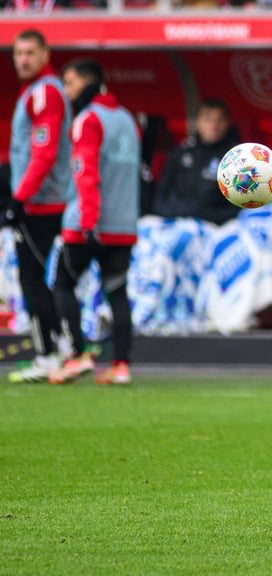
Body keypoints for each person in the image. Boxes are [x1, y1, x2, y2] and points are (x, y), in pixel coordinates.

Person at [49, 58, 140, 385]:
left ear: (85, 83)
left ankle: (75, 357)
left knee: (62, 283)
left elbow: (85, 173)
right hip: (124, 225)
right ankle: (120, 367)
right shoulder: (127, 119)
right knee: (117, 292)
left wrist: (88, 222)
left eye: (69, 83)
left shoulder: (88, 120)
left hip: (89, 223)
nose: (66, 90)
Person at [7, 29, 72, 383]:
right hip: (45, 201)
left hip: (41, 205)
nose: (23, 59)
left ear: (46, 54)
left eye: (30, 52)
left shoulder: (44, 92)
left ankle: (47, 355)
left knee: (33, 281)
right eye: (18, 53)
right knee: (46, 280)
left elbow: (44, 153)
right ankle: (60, 350)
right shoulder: (37, 92)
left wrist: (20, 197)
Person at [146, 98, 240, 226]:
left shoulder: (235, 158)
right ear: (199, 123)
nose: (214, 126)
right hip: (175, 223)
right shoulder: (181, 152)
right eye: (208, 120)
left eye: (219, 120)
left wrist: (202, 216)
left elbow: (237, 207)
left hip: (214, 228)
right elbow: (161, 195)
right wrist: (174, 214)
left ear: (227, 123)